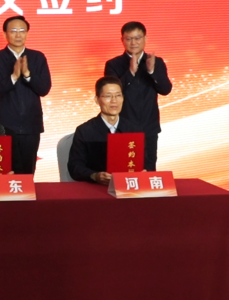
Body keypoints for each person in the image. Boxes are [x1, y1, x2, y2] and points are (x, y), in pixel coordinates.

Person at [0, 15, 51, 175]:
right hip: (4, 125)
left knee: (27, 173)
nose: (18, 34)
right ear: (5, 34)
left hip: (31, 125)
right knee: (3, 172)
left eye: (22, 30)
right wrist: (14, 77)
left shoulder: (37, 57)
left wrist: (28, 74)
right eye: (13, 31)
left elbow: (44, 89)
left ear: (27, 33)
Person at [104, 21, 172, 171]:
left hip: (149, 127)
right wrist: (130, 72)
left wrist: (152, 72)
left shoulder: (156, 62)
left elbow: (165, 89)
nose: (133, 42)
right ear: (122, 40)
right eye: (128, 39)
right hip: (123, 127)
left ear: (145, 39)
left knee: (149, 170)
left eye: (137, 38)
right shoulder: (113, 64)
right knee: (123, 171)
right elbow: (111, 94)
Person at [67, 76, 142, 184]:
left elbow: (146, 162)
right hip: (96, 188)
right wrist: (95, 176)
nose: (114, 101)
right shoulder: (85, 131)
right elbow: (75, 167)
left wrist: (144, 171)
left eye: (118, 95)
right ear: (97, 100)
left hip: (129, 186)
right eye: (108, 96)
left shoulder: (134, 130)